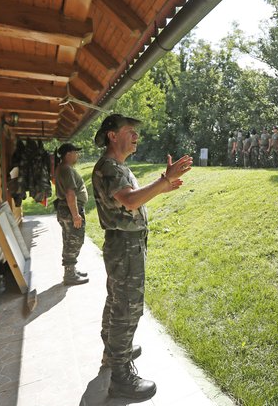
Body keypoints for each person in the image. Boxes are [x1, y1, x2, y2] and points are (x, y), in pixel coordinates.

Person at [91, 114, 192, 401]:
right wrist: (164, 180)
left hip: (124, 244)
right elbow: (132, 200)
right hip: (124, 246)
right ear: (112, 135)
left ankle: (114, 351)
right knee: (128, 306)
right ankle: (121, 376)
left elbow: (131, 200)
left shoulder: (115, 166)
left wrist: (163, 185)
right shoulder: (110, 167)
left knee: (116, 299)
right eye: (130, 131)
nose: (136, 136)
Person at [54, 142, 89, 286]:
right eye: (76, 152)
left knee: (69, 240)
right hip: (70, 210)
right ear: (68, 154)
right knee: (74, 241)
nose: (78, 155)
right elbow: (70, 193)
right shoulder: (67, 169)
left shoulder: (62, 168)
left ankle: (71, 270)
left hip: (65, 209)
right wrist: (75, 215)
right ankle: (69, 275)